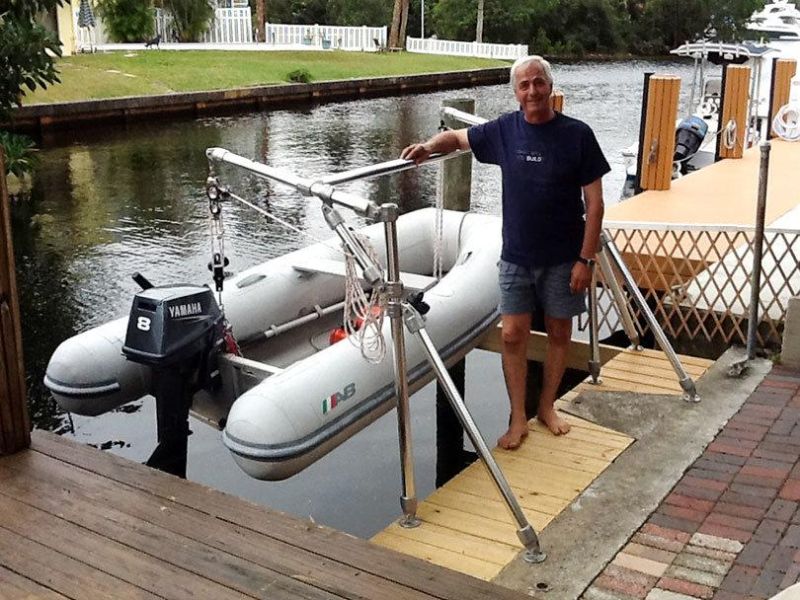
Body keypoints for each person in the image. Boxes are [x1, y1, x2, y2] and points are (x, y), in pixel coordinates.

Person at [401, 55, 610, 449]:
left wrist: (586, 259)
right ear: (515, 92)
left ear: (550, 86)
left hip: (565, 256)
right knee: (513, 335)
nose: (532, 91)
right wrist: (429, 147)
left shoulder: (577, 134)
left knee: (559, 331)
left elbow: (595, 204)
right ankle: (518, 417)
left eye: (538, 83)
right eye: (524, 85)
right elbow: (459, 138)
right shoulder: (504, 131)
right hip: (516, 256)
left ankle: (546, 407)